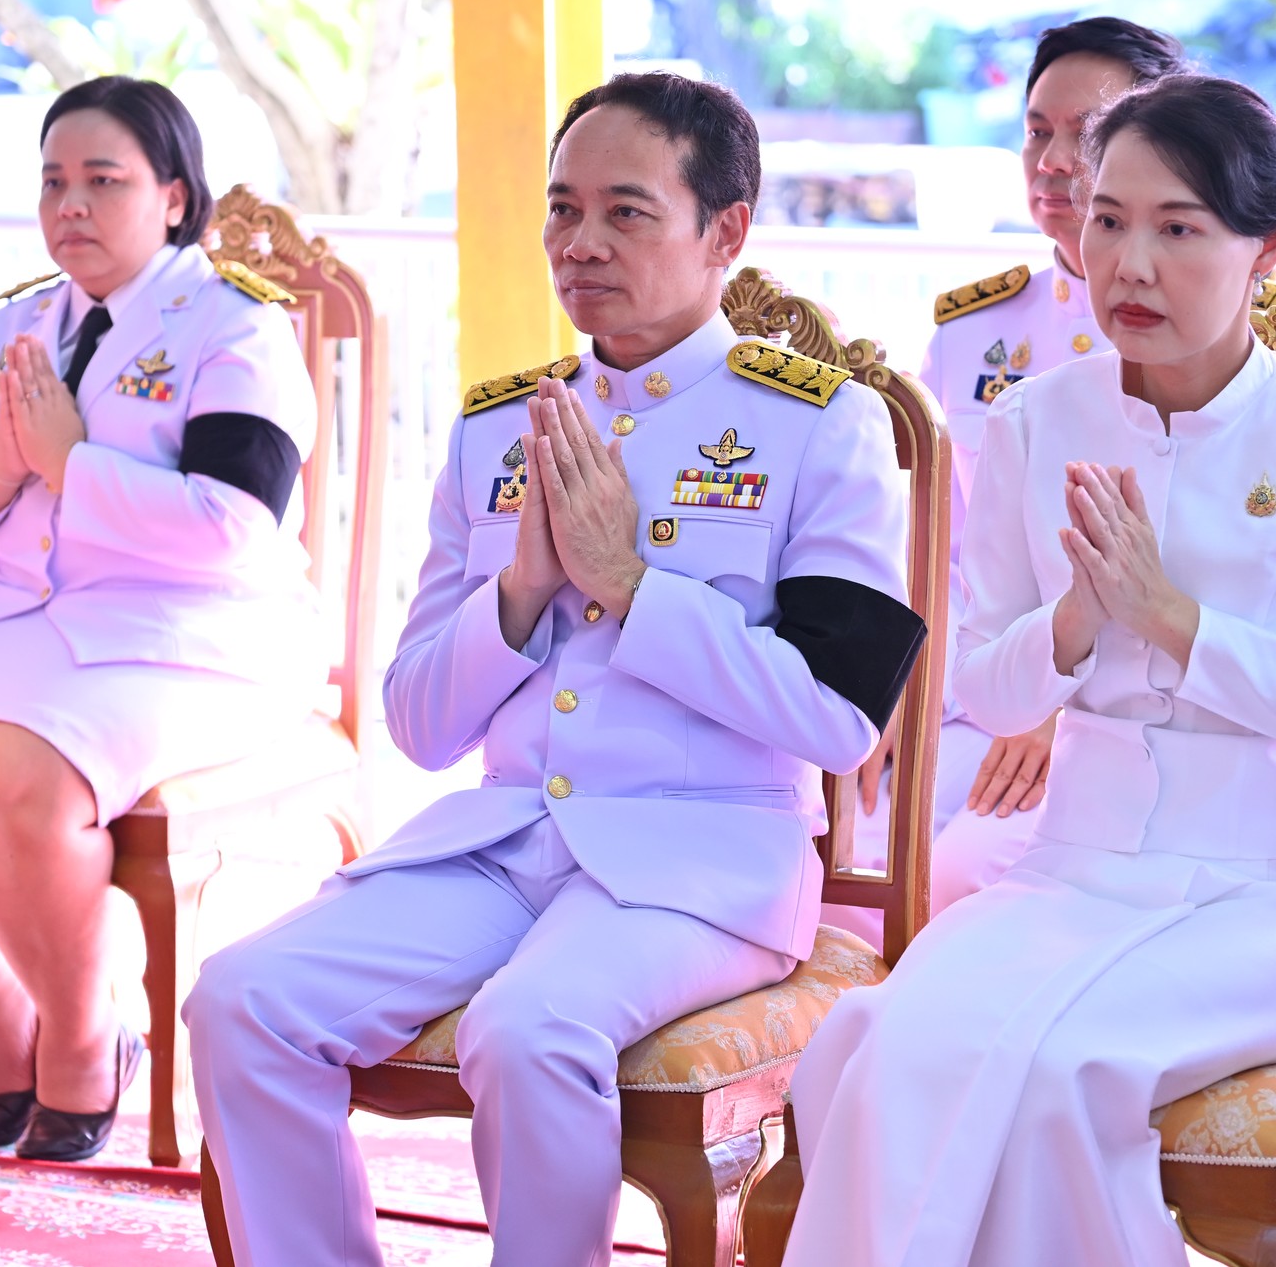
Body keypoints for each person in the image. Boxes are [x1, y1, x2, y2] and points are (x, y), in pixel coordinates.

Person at [185, 71, 922, 1267]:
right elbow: (418, 725)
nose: (578, 245)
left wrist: (633, 589)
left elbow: (837, 721)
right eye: (560, 209)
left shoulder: (817, 425)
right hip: (503, 845)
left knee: (529, 1029)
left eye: (625, 212)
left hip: (703, 861)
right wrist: (521, 591)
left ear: (721, 232)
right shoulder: (495, 430)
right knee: (241, 1000)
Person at [779, 75, 1276, 1267]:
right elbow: (986, 685)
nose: (1126, 263)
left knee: (1061, 1075)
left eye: (1176, 228)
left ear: (1267, 246)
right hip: (1072, 871)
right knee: (874, 1042)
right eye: (1107, 219)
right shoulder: (1034, 421)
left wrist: (1178, 622)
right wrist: (1078, 624)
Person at [0, 76, 324, 1163]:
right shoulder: (21, 322)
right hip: (23, 617)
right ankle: (5, 1033)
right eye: (53, 182)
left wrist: (72, 466)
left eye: (102, 181)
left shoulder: (234, 322)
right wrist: (2, 467)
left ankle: (82, 1041)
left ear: (172, 196)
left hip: (192, 633)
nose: (70, 205)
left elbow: (234, 528)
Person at [918, 17, 1187, 916]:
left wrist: (1048, 703)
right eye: (1038, 130)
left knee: (959, 882)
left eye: (1089, 133)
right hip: (972, 698)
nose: (1055, 159)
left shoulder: (1215, 332)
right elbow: (936, 549)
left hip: (1124, 714)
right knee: (843, 847)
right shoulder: (972, 334)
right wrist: (895, 697)